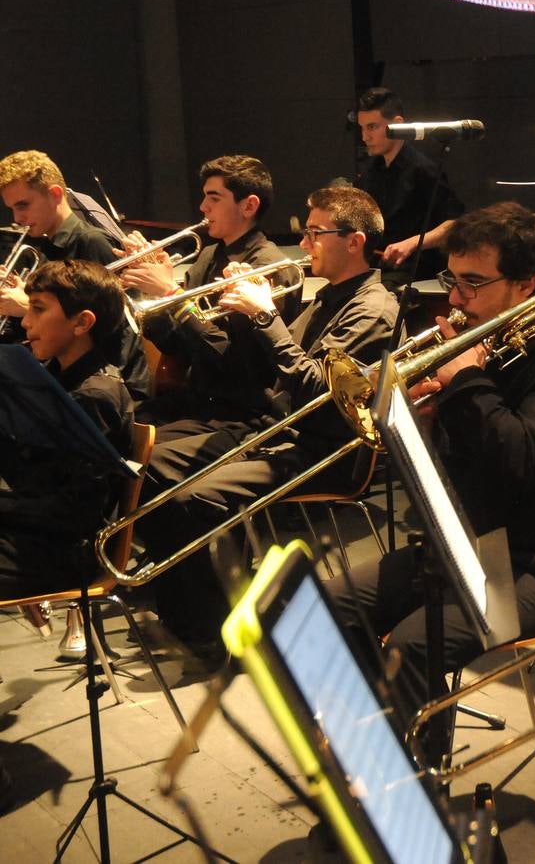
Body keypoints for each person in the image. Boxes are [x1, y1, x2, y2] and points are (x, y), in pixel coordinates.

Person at [324, 201, 535, 720]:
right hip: (463, 550)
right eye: (453, 281)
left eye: (473, 284)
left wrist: (465, 384)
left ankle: (413, 780)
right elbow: (454, 479)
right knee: (327, 607)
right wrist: (423, 424)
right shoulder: (485, 352)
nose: (456, 299)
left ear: (526, 284)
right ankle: (372, 731)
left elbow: (517, 460)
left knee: (411, 645)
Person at [135, 186, 399, 658]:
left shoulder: (374, 308)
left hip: (326, 449)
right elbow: (260, 367)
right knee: (150, 467)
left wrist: (264, 317)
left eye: (317, 233)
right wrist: (237, 306)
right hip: (275, 428)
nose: (305, 244)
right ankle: (191, 609)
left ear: (354, 241)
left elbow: (320, 392)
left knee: (195, 497)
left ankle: (217, 630)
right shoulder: (328, 296)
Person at [121, 155, 299, 424]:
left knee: (145, 453)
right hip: (198, 398)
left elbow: (231, 361)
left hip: (240, 411)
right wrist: (155, 295)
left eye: (214, 198)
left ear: (249, 206)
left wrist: (173, 294)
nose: (203, 207)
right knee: (117, 425)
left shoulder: (268, 267)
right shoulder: (207, 256)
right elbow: (174, 345)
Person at [0, 260, 133, 599]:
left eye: (38, 310)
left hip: (60, 553)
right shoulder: (52, 376)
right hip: (33, 532)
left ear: (82, 323)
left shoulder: (95, 395)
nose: (26, 322)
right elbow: (31, 474)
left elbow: (74, 512)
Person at [0, 150, 149, 400]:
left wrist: (28, 307)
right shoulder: (40, 245)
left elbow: (114, 328)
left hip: (103, 386)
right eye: (11, 209)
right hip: (61, 373)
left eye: (23, 205)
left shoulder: (92, 243)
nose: (17, 218)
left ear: (55, 194)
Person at [353, 87, 466, 286]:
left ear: (398, 124)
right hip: (378, 266)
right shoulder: (371, 170)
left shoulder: (423, 170)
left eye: (372, 127)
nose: (365, 137)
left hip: (415, 271)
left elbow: (456, 223)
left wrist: (412, 243)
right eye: (362, 128)